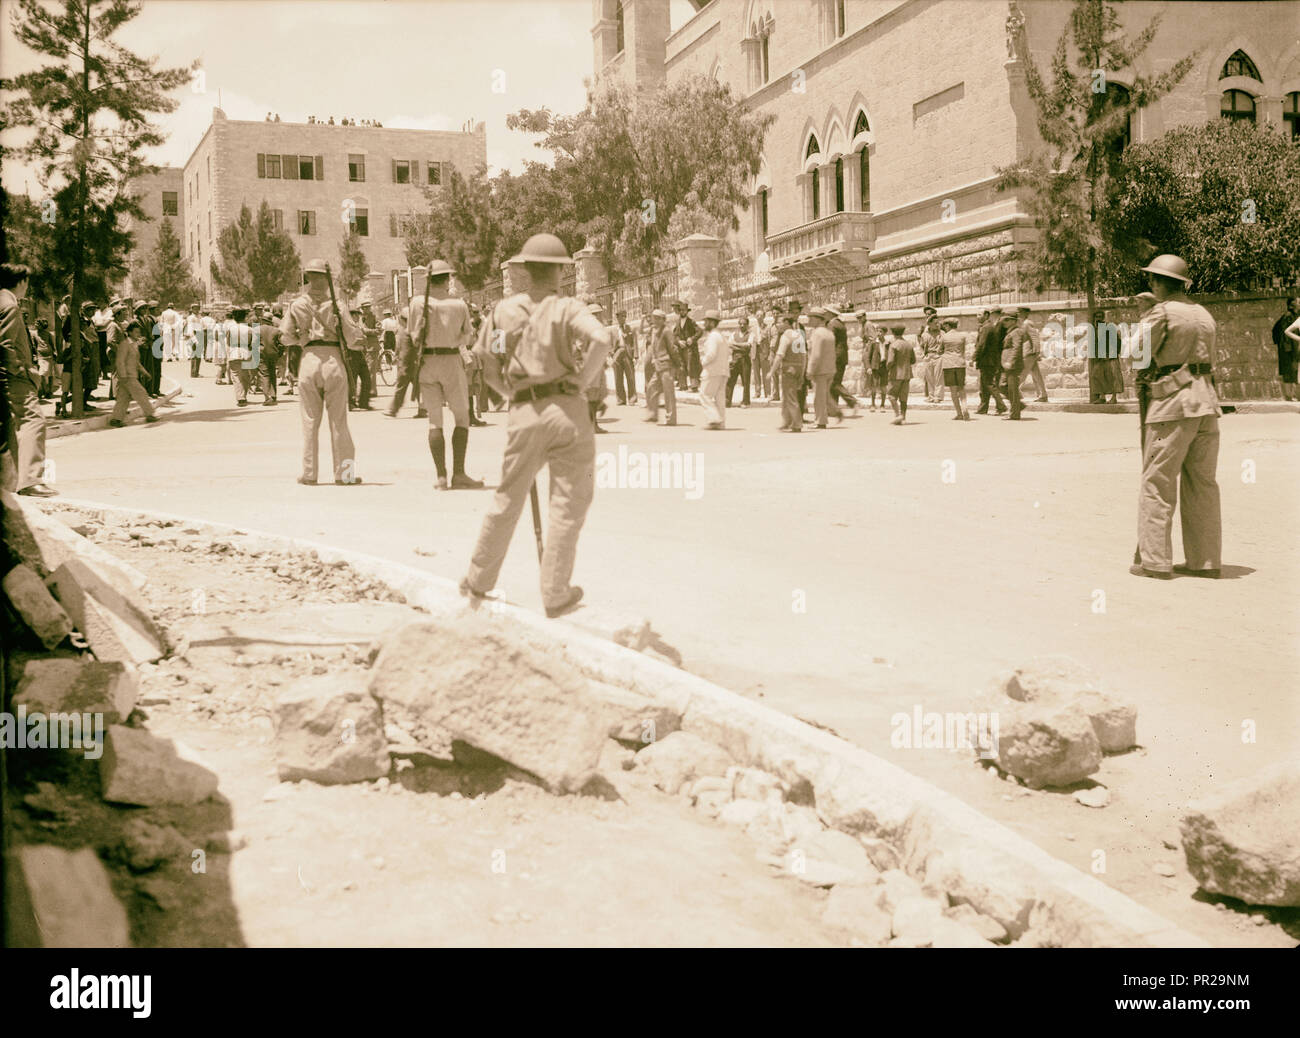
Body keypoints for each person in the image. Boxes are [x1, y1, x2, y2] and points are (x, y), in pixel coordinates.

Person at [462, 233, 610, 618]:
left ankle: (478, 579)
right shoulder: (566, 307)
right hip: (567, 410)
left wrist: (508, 392)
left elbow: (486, 361)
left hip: (524, 411)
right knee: (567, 502)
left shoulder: (503, 312)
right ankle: (556, 591)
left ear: (525, 270)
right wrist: (581, 381)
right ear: (561, 271)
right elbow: (601, 339)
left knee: (507, 496)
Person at [1131, 254, 1221, 580]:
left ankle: (1154, 560)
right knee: (1203, 483)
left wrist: (1143, 321)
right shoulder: (1203, 314)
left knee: (1157, 482)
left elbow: (1137, 354)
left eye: (1152, 279)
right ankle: (1206, 561)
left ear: (1157, 283)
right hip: (1207, 404)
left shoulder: (1162, 312)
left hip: (1172, 403)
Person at [278, 259, 361, 485]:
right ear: (327, 279)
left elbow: (284, 336)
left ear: (308, 278)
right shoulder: (339, 305)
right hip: (333, 360)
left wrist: (302, 339)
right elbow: (353, 339)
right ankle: (345, 474)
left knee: (309, 421)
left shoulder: (297, 304)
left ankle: (309, 474)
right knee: (339, 422)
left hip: (308, 360)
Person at [406, 260, 482, 490]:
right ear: (448, 278)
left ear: (427, 280)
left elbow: (412, 335)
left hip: (427, 362)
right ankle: (458, 474)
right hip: (450, 361)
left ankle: (441, 476)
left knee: (434, 421)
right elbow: (468, 337)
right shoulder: (458, 304)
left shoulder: (417, 302)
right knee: (461, 417)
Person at [0, 264, 55, 496]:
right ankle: (31, 480)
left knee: (12, 429)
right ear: (21, 282)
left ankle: (11, 483)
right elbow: (4, 345)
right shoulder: (10, 304)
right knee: (34, 420)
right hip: (12, 377)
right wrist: (23, 371)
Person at [106, 300, 158, 429]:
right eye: (136, 333)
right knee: (141, 394)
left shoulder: (132, 344)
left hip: (130, 375)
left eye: (139, 333)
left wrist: (144, 372)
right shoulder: (125, 344)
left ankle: (116, 419)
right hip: (128, 376)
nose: (138, 335)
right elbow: (120, 361)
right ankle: (150, 414)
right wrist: (123, 376)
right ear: (129, 333)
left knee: (123, 399)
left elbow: (136, 362)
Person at [770, 313, 806, 432]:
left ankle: (796, 423)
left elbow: (780, 355)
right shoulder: (799, 335)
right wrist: (802, 372)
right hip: (798, 367)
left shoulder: (785, 336)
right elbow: (804, 355)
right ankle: (786, 421)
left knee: (790, 397)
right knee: (786, 396)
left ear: (786, 323)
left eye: (780, 322)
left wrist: (772, 371)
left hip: (788, 368)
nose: (778, 325)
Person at [643, 308, 680, 426]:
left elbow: (672, 349)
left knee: (668, 393)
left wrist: (678, 364)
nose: (654, 320)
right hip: (659, 366)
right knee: (651, 388)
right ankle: (653, 414)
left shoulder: (666, 331)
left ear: (662, 320)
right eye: (654, 318)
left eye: (657, 318)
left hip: (667, 365)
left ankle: (671, 419)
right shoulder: (655, 331)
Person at [806, 308, 840, 429]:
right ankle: (836, 411)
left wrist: (810, 370)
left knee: (819, 397)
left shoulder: (817, 333)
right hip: (830, 369)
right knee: (825, 395)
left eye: (811, 317)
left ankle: (821, 421)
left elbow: (816, 354)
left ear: (817, 319)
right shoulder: (829, 333)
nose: (809, 320)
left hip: (820, 370)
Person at [697, 309, 729, 429]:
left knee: (704, 395)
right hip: (723, 371)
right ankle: (721, 423)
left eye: (706, 321)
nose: (704, 324)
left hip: (712, 371)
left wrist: (703, 361)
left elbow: (711, 354)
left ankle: (714, 419)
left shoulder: (713, 337)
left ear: (711, 322)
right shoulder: (721, 336)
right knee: (719, 398)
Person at [581, 302, 610, 433]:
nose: (598, 316)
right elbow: (583, 348)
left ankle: (592, 423)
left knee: (599, 393)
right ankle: (592, 425)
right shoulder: (588, 330)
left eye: (599, 314)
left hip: (598, 366)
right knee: (592, 396)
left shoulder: (598, 329)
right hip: (591, 365)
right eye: (595, 314)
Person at [974, 307, 1008, 414]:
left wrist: (974, 357)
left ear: (986, 315)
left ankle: (1001, 406)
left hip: (987, 361)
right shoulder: (986, 326)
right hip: (988, 360)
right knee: (984, 386)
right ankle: (983, 408)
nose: (977, 317)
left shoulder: (987, 327)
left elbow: (981, 345)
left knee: (989, 384)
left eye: (979, 315)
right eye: (977, 315)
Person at [1000, 309, 1031, 420]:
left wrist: (1011, 362)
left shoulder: (1017, 331)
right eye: (1004, 320)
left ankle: (1014, 414)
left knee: (1012, 390)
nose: (1004, 322)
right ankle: (1018, 405)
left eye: (1007, 320)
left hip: (1013, 365)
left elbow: (1017, 348)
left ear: (1013, 321)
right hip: (1006, 365)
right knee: (1002, 386)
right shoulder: (1010, 331)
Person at [1088, 307, 1124, 404]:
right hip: (1100, 357)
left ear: (1103, 318)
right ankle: (1102, 396)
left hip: (1111, 356)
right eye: (1096, 317)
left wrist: (1115, 352)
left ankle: (1114, 397)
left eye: (1100, 317)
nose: (1098, 319)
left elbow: (1117, 340)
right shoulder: (1095, 329)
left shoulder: (1109, 327)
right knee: (1097, 375)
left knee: (1113, 376)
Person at [828, 303, 858, 413]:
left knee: (833, 383)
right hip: (842, 357)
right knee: (834, 382)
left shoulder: (832, 324)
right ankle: (833, 409)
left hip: (836, 357)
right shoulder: (840, 323)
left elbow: (830, 341)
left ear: (831, 313)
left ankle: (852, 401)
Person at [939, 317, 971, 420]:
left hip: (948, 364)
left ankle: (959, 413)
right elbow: (963, 349)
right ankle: (965, 408)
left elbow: (940, 350)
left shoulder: (944, 337)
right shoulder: (962, 336)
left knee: (953, 390)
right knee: (961, 388)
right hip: (960, 363)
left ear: (947, 325)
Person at [727, 304, 756, 408]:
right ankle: (727, 401)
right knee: (730, 381)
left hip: (745, 360)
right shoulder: (733, 334)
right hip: (734, 361)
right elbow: (729, 344)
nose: (742, 326)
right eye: (740, 324)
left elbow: (748, 346)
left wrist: (736, 345)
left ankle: (745, 402)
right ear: (738, 325)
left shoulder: (751, 334)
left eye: (744, 324)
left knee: (746, 382)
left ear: (747, 325)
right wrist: (741, 346)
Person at [886, 325, 916, 425]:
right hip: (907, 374)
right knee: (904, 398)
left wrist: (887, 368)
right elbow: (913, 360)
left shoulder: (893, 345)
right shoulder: (908, 345)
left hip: (895, 374)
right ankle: (903, 417)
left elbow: (890, 361)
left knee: (891, 395)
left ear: (893, 333)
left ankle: (897, 414)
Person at [1271, 296, 1299, 402]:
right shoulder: (1288, 316)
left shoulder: (1294, 316)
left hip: (1291, 349)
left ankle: (1291, 396)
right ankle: (1288, 396)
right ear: (1292, 305)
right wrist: (1290, 350)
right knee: (1288, 372)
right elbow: (1285, 334)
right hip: (1287, 350)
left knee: (1292, 372)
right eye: (1298, 302)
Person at [345, 306, 373, 410]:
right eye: (354, 314)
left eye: (357, 314)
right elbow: (351, 342)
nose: (357, 316)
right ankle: (351, 403)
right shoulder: (348, 327)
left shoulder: (357, 327)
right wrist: (363, 340)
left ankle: (364, 403)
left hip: (359, 353)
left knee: (366, 379)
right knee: (353, 380)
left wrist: (363, 340)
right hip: (352, 353)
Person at [1018, 308, 1048, 402]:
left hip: (1029, 353)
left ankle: (1012, 392)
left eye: (1021, 312)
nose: (1019, 314)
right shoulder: (1023, 323)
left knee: (1022, 373)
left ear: (1025, 313)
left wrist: (1037, 351)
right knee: (1036, 375)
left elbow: (1034, 337)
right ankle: (1043, 395)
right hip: (1029, 352)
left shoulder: (1027, 323)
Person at [255, 303, 282, 405]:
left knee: (264, 374)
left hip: (261, 353)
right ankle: (274, 395)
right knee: (272, 374)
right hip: (273, 354)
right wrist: (279, 353)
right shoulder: (276, 330)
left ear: (262, 320)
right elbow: (281, 343)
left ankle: (267, 397)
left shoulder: (257, 329)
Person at [671, 300, 700, 392]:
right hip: (681, 348)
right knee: (681, 366)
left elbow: (700, 331)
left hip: (690, 348)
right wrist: (678, 341)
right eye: (681, 310)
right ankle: (683, 385)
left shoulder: (691, 322)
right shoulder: (677, 322)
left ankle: (694, 386)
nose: (682, 312)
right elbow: (674, 335)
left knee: (691, 366)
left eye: (684, 310)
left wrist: (692, 339)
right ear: (679, 311)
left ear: (687, 311)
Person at [611, 310, 637, 405]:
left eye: (623, 317)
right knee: (618, 377)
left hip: (627, 353)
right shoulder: (613, 330)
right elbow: (610, 343)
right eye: (619, 317)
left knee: (630, 376)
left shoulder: (630, 328)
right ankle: (620, 399)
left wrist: (635, 356)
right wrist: (611, 354)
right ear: (617, 318)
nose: (621, 319)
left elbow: (634, 342)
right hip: (617, 353)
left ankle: (632, 398)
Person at [917, 309, 944, 402]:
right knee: (929, 378)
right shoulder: (925, 334)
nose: (937, 325)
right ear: (930, 324)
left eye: (938, 323)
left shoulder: (942, 333)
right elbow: (921, 346)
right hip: (928, 356)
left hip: (938, 356)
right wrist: (923, 356)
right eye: (935, 323)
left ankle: (938, 397)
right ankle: (931, 396)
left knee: (938, 378)